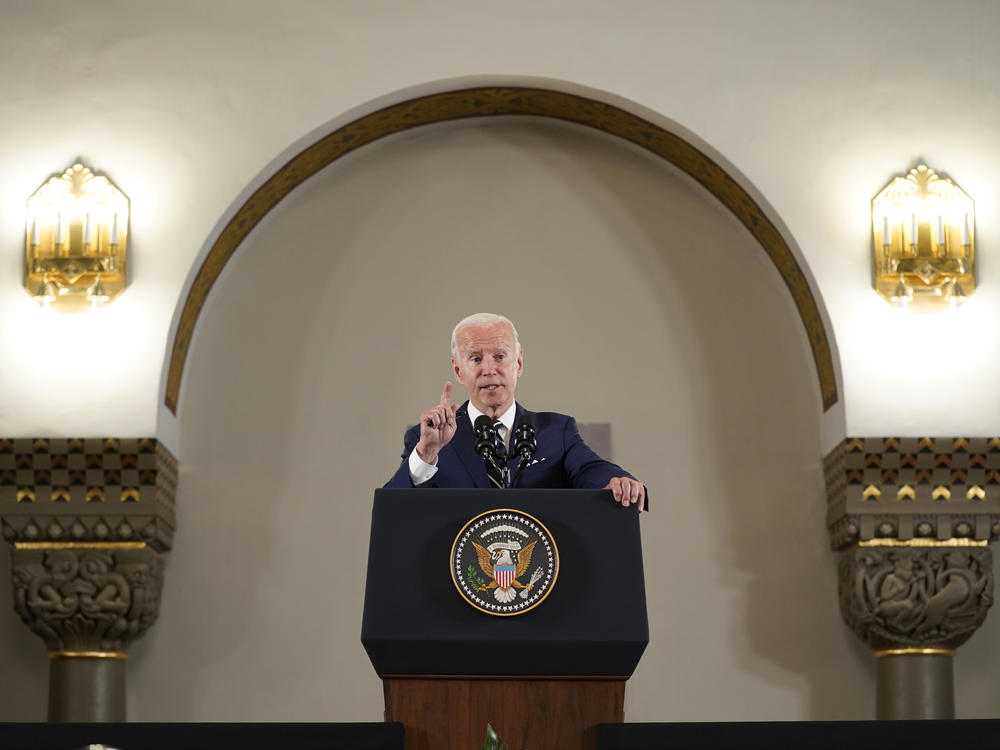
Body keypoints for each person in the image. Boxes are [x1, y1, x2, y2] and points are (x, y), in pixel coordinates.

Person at [384, 313, 647, 510]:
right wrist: (426, 454)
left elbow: (591, 469)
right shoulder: (428, 441)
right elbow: (393, 510)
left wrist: (618, 482)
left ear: (518, 363)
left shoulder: (557, 432)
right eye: (475, 358)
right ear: (457, 370)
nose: (489, 369)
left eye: (500, 356)